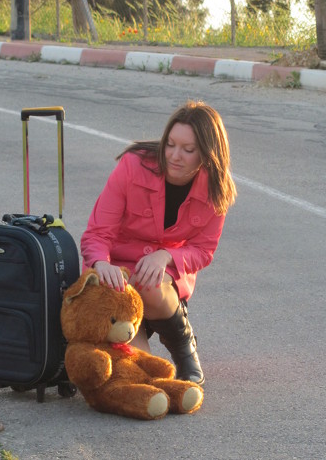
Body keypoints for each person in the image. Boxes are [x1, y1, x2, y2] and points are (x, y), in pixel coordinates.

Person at [80, 100, 236, 386]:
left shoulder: (217, 187)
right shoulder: (133, 165)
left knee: (150, 283)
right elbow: (96, 233)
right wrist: (101, 264)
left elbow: (203, 250)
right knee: (143, 377)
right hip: (117, 274)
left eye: (188, 150)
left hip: (163, 275)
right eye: (170, 145)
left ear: (208, 154)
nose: (175, 156)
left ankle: (183, 345)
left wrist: (166, 257)